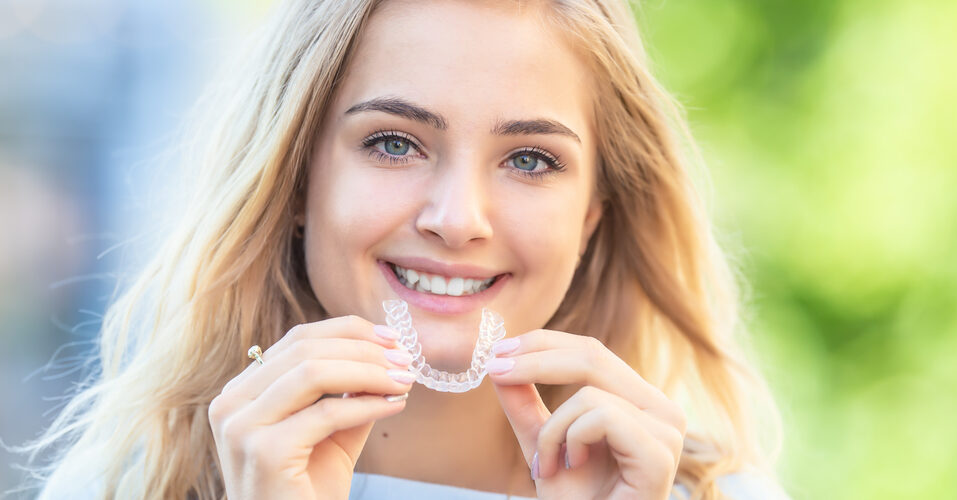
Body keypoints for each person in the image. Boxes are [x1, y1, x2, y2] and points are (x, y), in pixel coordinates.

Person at [28, 0, 792, 498]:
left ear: (592, 215)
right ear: (296, 182)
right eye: (394, 144)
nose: (457, 220)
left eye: (530, 159)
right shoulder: (120, 486)